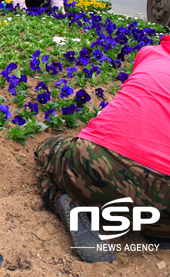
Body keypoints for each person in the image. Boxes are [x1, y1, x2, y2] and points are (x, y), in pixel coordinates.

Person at [34, 35, 170, 263]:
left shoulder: (150, 53)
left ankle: (65, 201)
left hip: (98, 164)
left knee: (48, 148)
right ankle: (157, 230)